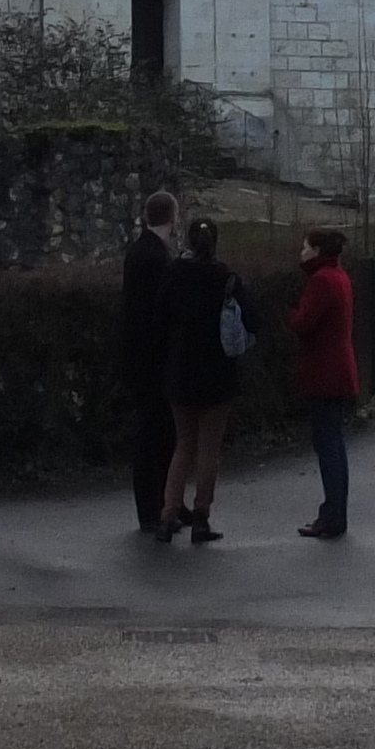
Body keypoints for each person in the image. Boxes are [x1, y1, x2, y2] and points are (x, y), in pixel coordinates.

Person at [157, 215, 249, 544]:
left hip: (181, 372)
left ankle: (168, 515)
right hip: (217, 375)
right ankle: (201, 517)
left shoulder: (175, 273)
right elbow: (252, 318)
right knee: (209, 449)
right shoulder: (226, 277)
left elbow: (160, 315)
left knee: (182, 446)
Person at [290, 226, 359, 538]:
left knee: (327, 443)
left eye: (305, 248)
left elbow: (304, 323)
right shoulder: (339, 277)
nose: (301, 253)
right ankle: (335, 510)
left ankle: (332, 513)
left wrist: (289, 314)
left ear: (317, 251)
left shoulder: (321, 281)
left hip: (324, 372)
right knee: (334, 442)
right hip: (340, 369)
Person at [119, 189, 180, 536]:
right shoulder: (155, 257)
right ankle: (152, 507)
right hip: (151, 362)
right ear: (171, 216)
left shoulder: (142, 252)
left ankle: (163, 502)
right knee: (152, 435)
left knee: (160, 433)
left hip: (143, 359)